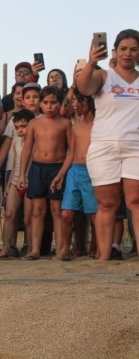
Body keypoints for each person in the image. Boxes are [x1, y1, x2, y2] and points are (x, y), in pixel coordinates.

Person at [77, 29, 139, 260]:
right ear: (115, 51)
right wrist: (92, 62)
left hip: (136, 146)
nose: (128, 54)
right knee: (107, 203)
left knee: (136, 202)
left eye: (133, 49)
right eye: (123, 49)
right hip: (104, 146)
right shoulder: (104, 76)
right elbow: (84, 88)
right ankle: (103, 258)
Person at [18, 86, 72, 260]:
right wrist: (21, 174)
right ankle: (34, 249)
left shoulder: (65, 123)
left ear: (60, 103)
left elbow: (72, 150)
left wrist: (62, 173)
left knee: (57, 210)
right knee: (37, 210)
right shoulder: (34, 123)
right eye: (46, 102)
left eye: (53, 102)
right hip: (37, 168)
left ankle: (61, 249)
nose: (49, 106)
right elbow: (27, 149)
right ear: (40, 104)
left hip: (57, 168)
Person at [50, 88, 96, 261]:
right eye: (74, 101)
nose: (75, 105)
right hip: (74, 171)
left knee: (94, 214)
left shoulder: (100, 123)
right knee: (66, 213)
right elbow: (71, 153)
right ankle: (64, 249)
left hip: (93, 171)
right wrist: (61, 174)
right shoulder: (74, 124)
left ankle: (94, 246)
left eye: (78, 101)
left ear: (89, 101)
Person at [0, 109, 35, 258]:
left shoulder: (37, 143)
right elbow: (14, 165)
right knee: (9, 214)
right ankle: (6, 248)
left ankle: (31, 248)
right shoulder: (16, 144)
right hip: (15, 181)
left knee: (28, 218)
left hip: (30, 182)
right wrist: (7, 186)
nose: (20, 130)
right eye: (17, 127)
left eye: (23, 126)